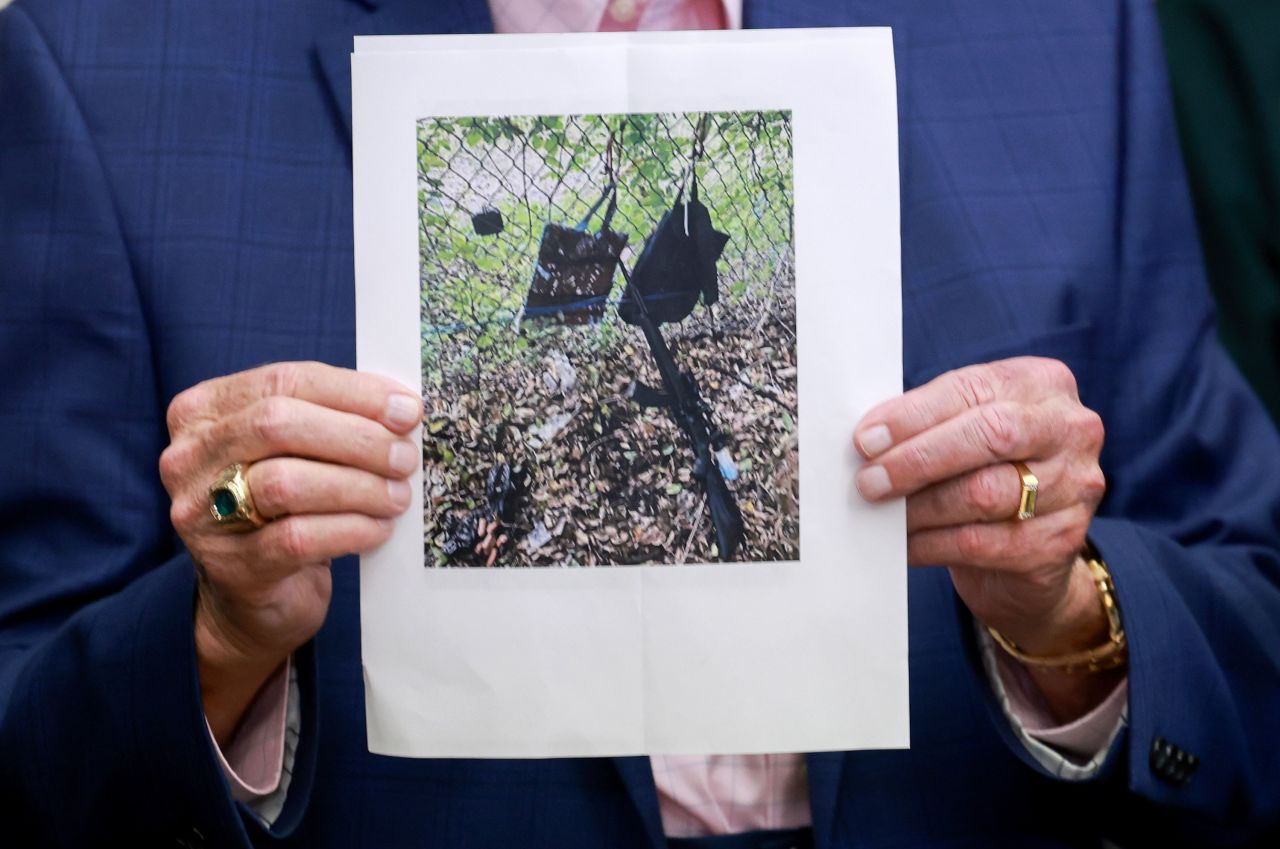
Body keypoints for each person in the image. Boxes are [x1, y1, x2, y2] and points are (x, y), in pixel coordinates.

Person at [1, 1, 1278, 847]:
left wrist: (1069, 620)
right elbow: (30, 729)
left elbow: (1250, 612)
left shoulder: (1051, 30)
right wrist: (223, 639)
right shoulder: (107, 57)